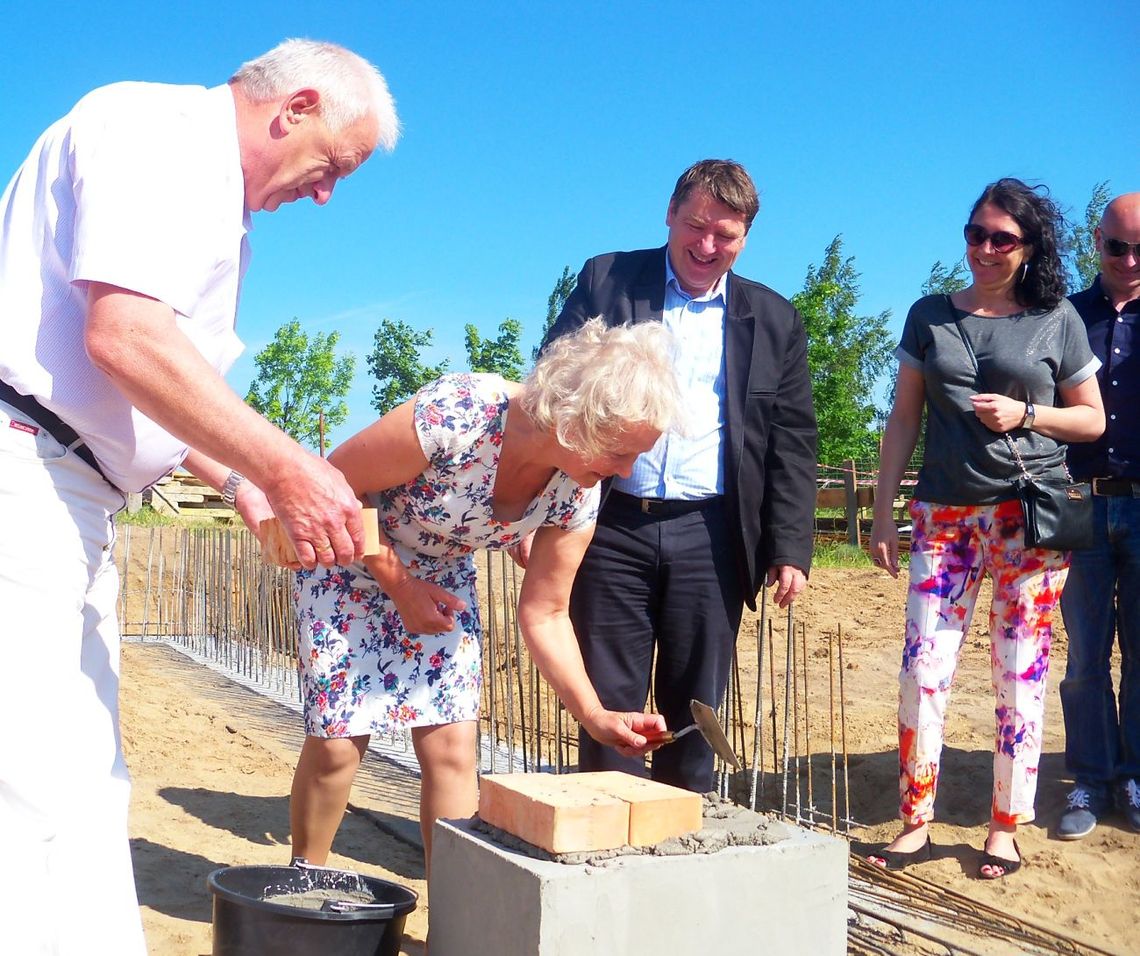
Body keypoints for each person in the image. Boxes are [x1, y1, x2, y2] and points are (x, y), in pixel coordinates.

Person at [0, 40, 399, 954]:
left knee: (85, 776)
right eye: (334, 164)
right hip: (22, 476)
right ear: (294, 106)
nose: (328, 192)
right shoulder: (161, 134)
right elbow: (126, 339)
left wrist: (240, 481)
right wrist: (288, 467)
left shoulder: (214, 201)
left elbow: (153, 398)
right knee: (30, 783)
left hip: (69, 494)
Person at [288, 318, 681, 873]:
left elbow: (546, 613)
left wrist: (595, 716)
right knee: (339, 743)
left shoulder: (577, 493)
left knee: (452, 751)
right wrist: (398, 585)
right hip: (351, 556)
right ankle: (304, 883)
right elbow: (332, 488)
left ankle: (453, 920)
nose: (626, 471)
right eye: (620, 453)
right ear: (575, 422)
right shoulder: (461, 415)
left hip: (442, 580)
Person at [540, 159, 818, 793]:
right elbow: (553, 386)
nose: (706, 245)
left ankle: (680, 830)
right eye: (695, 226)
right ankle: (610, 839)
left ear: (746, 237)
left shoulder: (775, 320)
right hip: (608, 525)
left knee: (696, 706)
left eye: (725, 235)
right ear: (669, 214)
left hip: (712, 534)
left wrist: (789, 547)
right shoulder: (607, 280)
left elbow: (792, 442)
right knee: (609, 698)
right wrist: (538, 510)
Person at [867, 178, 1105, 880]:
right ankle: (915, 819)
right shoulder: (929, 315)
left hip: (1028, 517)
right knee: (923, 670)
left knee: (1019, 675)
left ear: (1029, 247)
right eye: (976, 233)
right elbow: (904, 418)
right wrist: (883, 509)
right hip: (943, 517)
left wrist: (1027, 415)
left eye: (1002, 238)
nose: (985, 248)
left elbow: (1090, 419)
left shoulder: (1056, 316)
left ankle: (1005, 826)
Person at [1057, 193, 1140, 839]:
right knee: (1086, 655)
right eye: (1118, 246)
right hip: (1080, 506)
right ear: (1097, 242)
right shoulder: (1063, 317)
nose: (1130, 260)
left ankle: (1132, 775)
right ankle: (1088, 776)